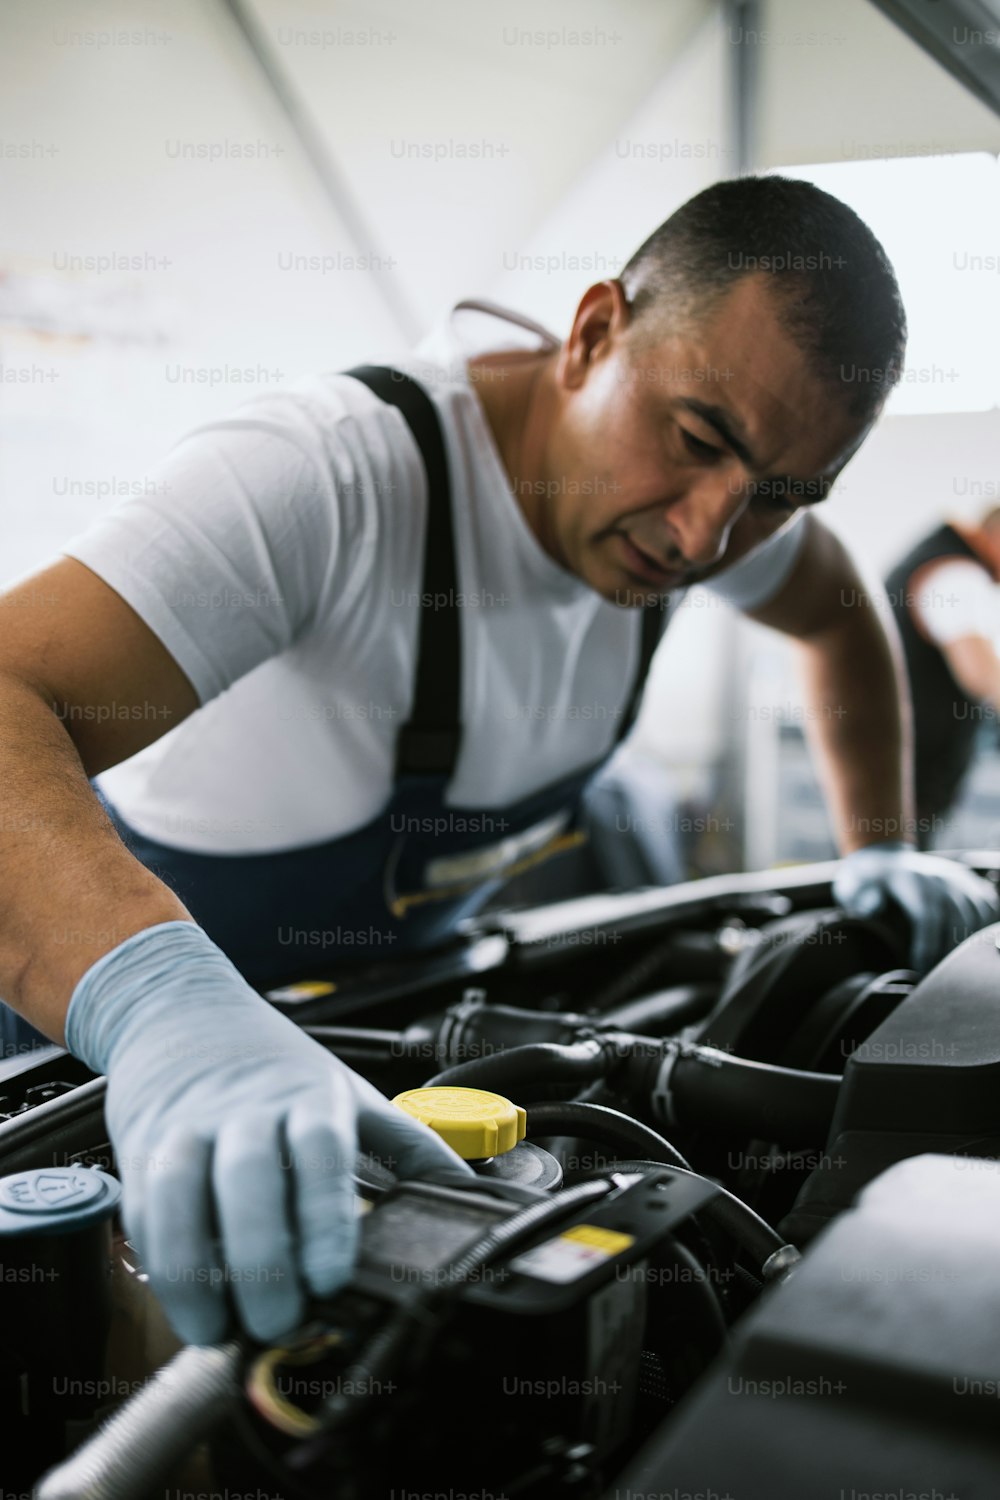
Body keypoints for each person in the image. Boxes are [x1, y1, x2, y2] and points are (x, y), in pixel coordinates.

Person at [0, 176, 995, 1350]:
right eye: (693, 441)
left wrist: (877, 845)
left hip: (400, 1040)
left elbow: (837, 617)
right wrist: (156, 1003)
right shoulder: (335, 474)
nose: (705, 540)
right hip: (94, 1049)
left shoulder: (709, 499)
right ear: (591, 333)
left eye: (777, 499)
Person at [885, 508, 1000, 848]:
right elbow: (982, 675)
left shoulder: (942, 560)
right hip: (906, 783)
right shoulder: (955, 575)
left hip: (895, 776)